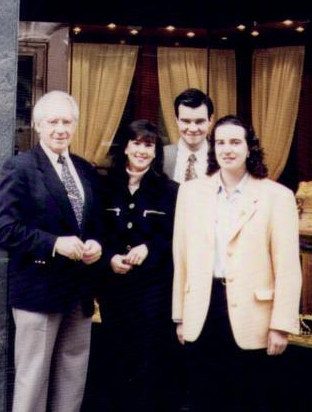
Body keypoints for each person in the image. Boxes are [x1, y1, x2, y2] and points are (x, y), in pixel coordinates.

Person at [171, 116, 301, 412]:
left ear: (249, 148)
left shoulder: (276, 197)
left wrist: (281, 325)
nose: (227, 149)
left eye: (235, 142)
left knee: (247, 398)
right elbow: (182, 259)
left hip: (253, 316)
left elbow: (288, 268)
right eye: (220, 142)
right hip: (202, 310)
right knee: (203, 396)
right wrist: (180, 315)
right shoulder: (191, 193)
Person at [0, 90, 103, 412]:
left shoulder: (85, 170)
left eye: (66, 121)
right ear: (38, 126)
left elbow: (93, 225)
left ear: (75, 125)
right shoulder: (21, 168)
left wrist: (97, 244)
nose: (60, 128)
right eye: (52, 121)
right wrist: (55, 244)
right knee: (33, 383)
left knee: (72, 382)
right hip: (38, 291)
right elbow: (6, 229)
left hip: (78, 293)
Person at [98, 119, 179, 412]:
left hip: (153, 296)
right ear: (126, 147)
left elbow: (178, 240)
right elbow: (95, 232)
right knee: (117, 362)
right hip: (115, 294)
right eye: (137, 143)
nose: (142, 150)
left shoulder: (171, 191)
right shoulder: (104, 187)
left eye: (149, 145)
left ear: (156, 151)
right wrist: (109, 257)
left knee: (150, 366)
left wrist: (150, 248)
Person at [163, 88, 214, 183]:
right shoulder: (161, 156)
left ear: (210, 120)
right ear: (177, 120)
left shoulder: (221, 158)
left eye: (200, 121)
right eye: (186, 121)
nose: (193, 129)